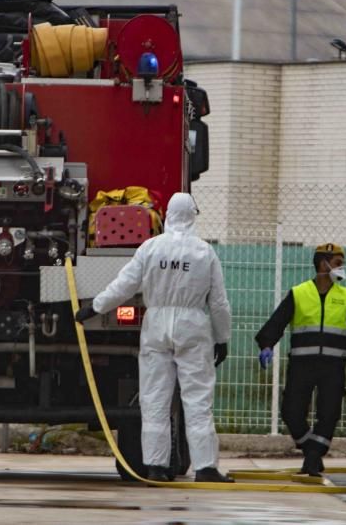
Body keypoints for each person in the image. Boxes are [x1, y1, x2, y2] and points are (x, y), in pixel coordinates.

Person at [75, 192, 233, 483]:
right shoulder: (204, 252)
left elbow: (124, 285)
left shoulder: (151, 248)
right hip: (193, 327)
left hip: (156, 325)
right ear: (192, 215)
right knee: (197, 400)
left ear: (167, 215)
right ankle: (206, 467)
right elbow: (219, 302)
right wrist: (222, 338)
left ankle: (156, 467)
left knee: (154, 400)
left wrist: (94, 308)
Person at [255, 242, 346, 476]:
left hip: (333, 367)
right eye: (338, 263)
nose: (342, 268)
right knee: (291, 412)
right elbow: (277, 321)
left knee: (329, 412)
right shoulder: (299, 293)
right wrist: (267, 345)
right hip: (302, 365)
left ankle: (312, 458)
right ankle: (313, 450)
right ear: (324, 264)